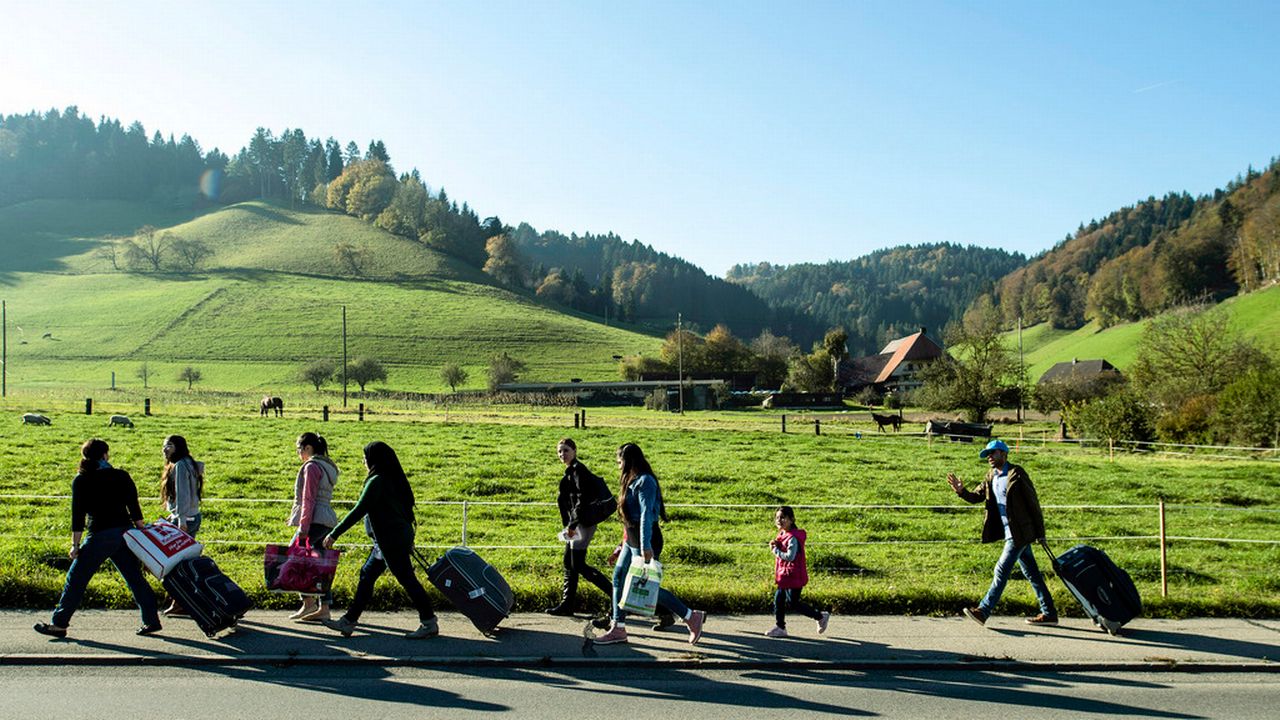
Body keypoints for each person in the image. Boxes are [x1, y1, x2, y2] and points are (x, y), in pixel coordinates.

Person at [34, 439, 162, 638]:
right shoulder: (121, 476)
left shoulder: (82, 479)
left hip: (100, 535)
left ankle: (59, 624)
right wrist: (143, 535)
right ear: (105, 455)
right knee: (135, 578)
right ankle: (151, 620)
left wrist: (75, 545)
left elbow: (78, 517)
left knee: (76, 579)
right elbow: (135, 510)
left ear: (85, 456)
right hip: (126, 533)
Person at [322, 441, 438, 639]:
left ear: (373, 460)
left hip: (390, 540)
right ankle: (349, 622)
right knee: (367, 576)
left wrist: (334, 533)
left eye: (365, 457)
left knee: (407, 580)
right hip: (390, 539)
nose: (363, 461)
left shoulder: (377, 481)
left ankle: (429, 623)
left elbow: (360, 509)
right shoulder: (392, 477)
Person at [593, 443, 706, 646]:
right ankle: (618, 627)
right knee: (619, 578)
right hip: (632, 538)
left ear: (628, 461)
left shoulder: (645, 482)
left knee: (646, 586)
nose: (618, 466)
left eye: (620, 462)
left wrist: (645, 547)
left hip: (645, 539)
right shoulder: (632, 479)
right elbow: (628, 517)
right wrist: (621, 545)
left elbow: (646, 516)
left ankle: (690, 616)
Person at [947, 439, 1058, 627]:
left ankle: (983, 610)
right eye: (987, 455)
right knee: (1032, 573)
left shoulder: (1017, 474)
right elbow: (976, 497)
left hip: (1020, 532)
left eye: (993, 453)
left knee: (1000, 569)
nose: (989, 457)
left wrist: (1041, 533)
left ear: (1004, 454)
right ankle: (1049, 613)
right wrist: (961, 491)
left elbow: (1033, 504)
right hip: (1009, 532)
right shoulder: (991, 476)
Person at [545, 438, 617, 616]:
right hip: (576, 524)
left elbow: (581, 500)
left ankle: (616, 597)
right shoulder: (571, 471)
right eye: (560, 451)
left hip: (582, 524)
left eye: (566, 450)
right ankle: (566, 604)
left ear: (575, 451)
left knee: (578, 564)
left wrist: (572, 525)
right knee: (569, 562)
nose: (562, 454)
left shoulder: (578, 471)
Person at [286, 432, 339, 622]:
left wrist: (303, 527)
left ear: (308, 448)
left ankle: (308, 602)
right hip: (326, 520)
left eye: (299, 449)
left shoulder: (311, 467)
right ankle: (324, 607)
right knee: (319, 565)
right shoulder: (327, 467)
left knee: (294, 556)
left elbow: (308, 499)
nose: (298, 454)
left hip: (314, 520)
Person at [765, 505, 831, 638]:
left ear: (792, 519)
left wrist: (776, 551)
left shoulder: (793, 538)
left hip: (794, 575)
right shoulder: (783, 534)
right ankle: (780, 627)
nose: (779, 520)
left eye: (783, 518)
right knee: (778, 599)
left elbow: (790, 556)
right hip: (785, 575)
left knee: (793, 603)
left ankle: (820, 616)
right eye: (777, 518)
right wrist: (777, 544)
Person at [159, 434, 204, 616]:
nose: (165, 449)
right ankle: (181, 601)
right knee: (180, 562)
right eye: (163, 445)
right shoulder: (188, 464)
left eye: (169, 445)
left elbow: (183, 495)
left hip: (185, 520)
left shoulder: (180, 466)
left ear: (178, 447)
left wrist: (181, 521)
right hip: (189, 517)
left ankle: (181, 602)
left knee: (176, 564)